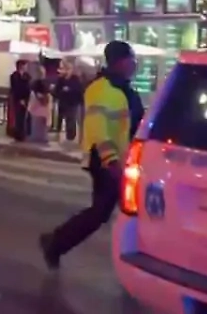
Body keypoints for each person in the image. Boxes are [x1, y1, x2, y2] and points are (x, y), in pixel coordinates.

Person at [40, 40, 145, 268]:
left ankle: (56, 242)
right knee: (103, 212)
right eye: (132, 59)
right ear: (120, 62)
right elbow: (98, 128)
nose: (135, 64)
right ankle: (55, 242)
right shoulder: (101, 89)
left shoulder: (125, 88)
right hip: (104, 160)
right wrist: (111, 161)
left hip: (122, 159)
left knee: (112, 211)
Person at [53, 60, 85, 143]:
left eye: (67, 69)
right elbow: (56, 91)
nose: (65, 71)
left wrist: (70, 89)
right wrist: (61, 91)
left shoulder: (75, 79)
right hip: (63, 102)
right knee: (61, 118)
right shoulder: (61, 79)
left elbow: (79, 90)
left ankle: (70, 137)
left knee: (71, 119)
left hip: (72, 102)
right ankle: (60, 134)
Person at [28, 60, 57, 144]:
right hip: (42, 105)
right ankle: (41, 137)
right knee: (41, 122)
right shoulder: (44, 82)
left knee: (38, 122)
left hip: (40, 105)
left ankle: (38, 137)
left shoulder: (36, 83)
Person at [8, 60, 32, 142]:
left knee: (27, 116)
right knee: (19, 117)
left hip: (27, 98)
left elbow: (29, 87)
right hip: (18, 99)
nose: (26, 67)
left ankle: (26, 133)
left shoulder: (27, 76)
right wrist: (20, 99)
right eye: (25, 65)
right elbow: (15, 88)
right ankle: (19, 135)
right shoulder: (14, 76)